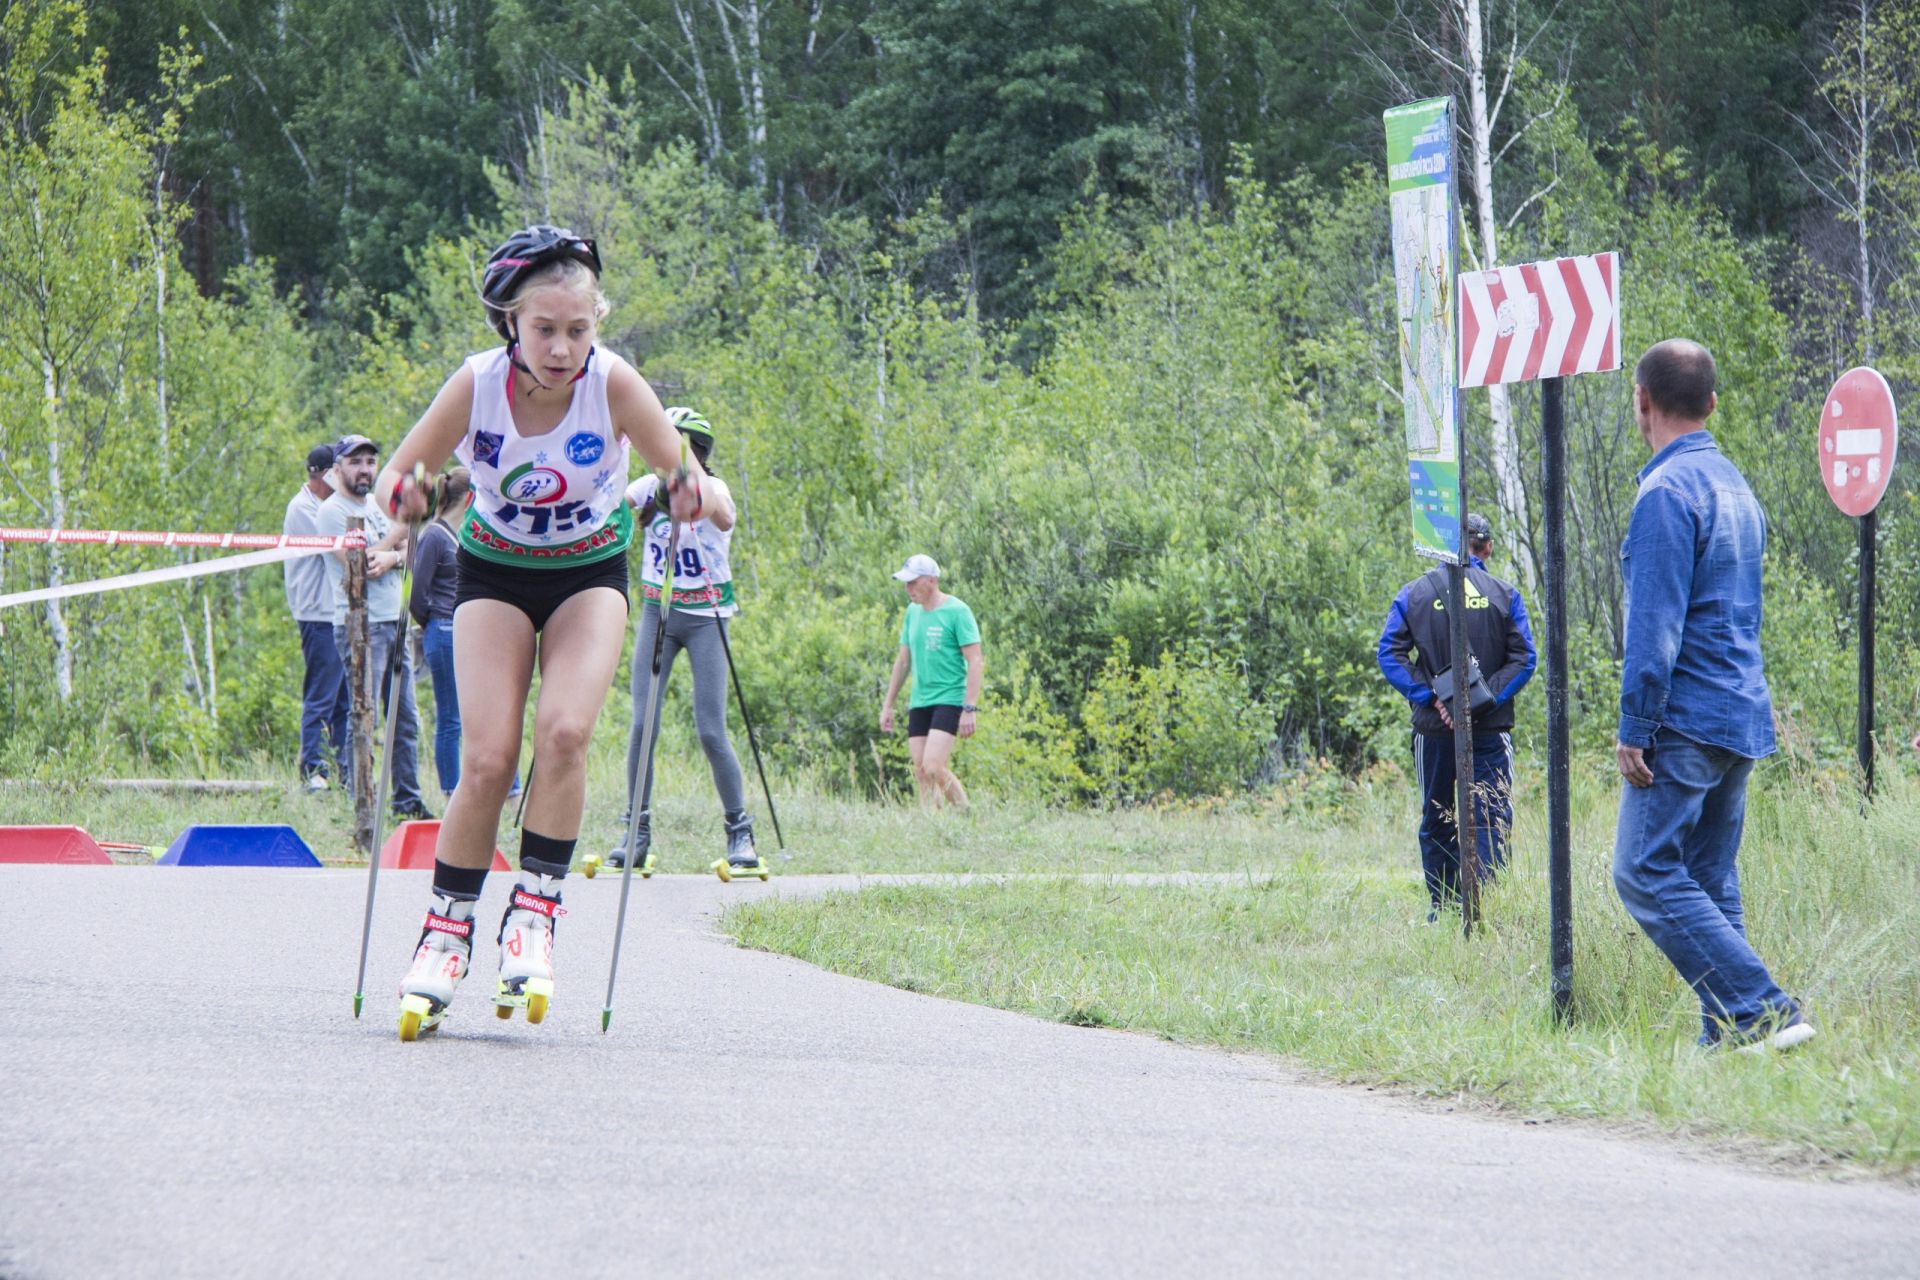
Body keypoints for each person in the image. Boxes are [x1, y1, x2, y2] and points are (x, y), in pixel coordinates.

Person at [377, 224, 704, 1039]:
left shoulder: (615, 384)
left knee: (564, 733)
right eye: (545, 330)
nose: (562, 349)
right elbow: (399, 473)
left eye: (579, 330)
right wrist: (407, 499)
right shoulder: (477, 384)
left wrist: (688, 489)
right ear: (510, 325)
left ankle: (535, 915)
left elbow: (678, 468)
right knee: (486, 758)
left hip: (589, 573)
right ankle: (446, 933)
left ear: (597, 325)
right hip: (494, 571)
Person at [1612, 339, 1813, 1053]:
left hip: (1687, 720)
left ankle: (1762, 1010)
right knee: (1707, 879)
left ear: (1642, 401)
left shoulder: (1666, 493)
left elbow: (1656, 624)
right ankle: (1728, 1042)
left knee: (1641, 871)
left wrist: (1635, 724)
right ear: (1713, 404)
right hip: (1741, 711)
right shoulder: (1734, 484)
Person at [608, 407, 757, 876]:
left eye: (675, 444)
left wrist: (689, 485)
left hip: (706, 615)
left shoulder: (715, 488)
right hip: (659, 614)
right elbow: (613, 504)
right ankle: (635, 831)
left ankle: (740, 831)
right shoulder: (649, 488)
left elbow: (726, 517)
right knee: (642, 725)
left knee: (711, 728)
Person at [1376, 512, 1536, 918]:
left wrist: (1434, 699)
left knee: (1437, 812)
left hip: (1433, 731)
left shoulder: (1412, 595)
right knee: (1491, 813)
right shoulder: (1504, 594)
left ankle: (1444, 910)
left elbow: (1389, 655)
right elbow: (1525, 658)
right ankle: (1488, 907)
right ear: (1487, 547)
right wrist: (1482, 701)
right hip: (1490, 728)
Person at [314, 434, 431, 823]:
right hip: (359, 626)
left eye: (370, 462)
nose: (365, 469)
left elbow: (405, 553)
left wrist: (393, 555)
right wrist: (402, 532)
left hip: (394, 619)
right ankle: (359, 796)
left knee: (405, 716)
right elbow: (357, 565)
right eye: (356, 462)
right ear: (337, 469)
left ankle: (406, 799)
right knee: (363, 714)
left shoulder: (378, 508)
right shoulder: (331, 512)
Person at [879, 555, 982, 810]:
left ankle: (966, 814)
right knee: (921, 770)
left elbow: (975, 660)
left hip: (949, 697)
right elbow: (903, 661)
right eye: (906, 583)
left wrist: (970, 707)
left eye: (913, 582)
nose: (908, 589)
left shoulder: (957, 611)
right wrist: (888, 704)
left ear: (932, 581)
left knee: (934, 766)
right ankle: (928, 826)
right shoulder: (912, 613)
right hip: (920, 699)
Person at [285, 442, 350, 792]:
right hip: (317, 612)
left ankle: (342, 768)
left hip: (334, 611)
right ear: (328, 475)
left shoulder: (325, 505)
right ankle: (312, 767)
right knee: (321, 695)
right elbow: (340, 545)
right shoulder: (304, 509)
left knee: (342, 699)